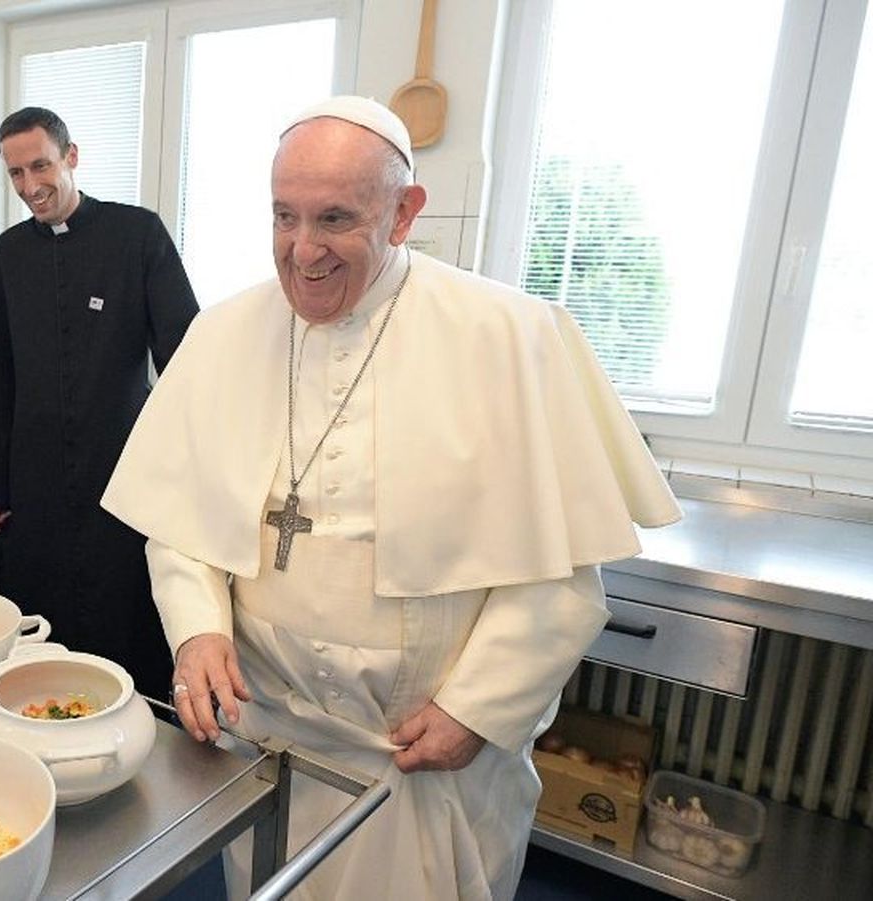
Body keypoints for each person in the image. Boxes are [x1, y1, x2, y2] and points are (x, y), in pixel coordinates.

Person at [101, 97, 683, 899]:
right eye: (283, 217)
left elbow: (560, 578)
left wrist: (478, 709)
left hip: (425, 759)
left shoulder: (510, 336)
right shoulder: (224, 334)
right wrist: (198, 630)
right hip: (275, 744)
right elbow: (181, 527)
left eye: (335, 218)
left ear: (405, 212)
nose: (303, 251)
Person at [0, 106, 198, 700]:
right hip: (35, 473)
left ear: (71, 157)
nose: (29, 186)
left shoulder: (138, 234)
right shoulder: (7, 253)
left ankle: (136, 717)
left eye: (40, 166)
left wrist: (188, 465)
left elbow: (185, 355)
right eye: (15, 174)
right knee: (43, 611)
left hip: (122, 464)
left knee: (122, 605)